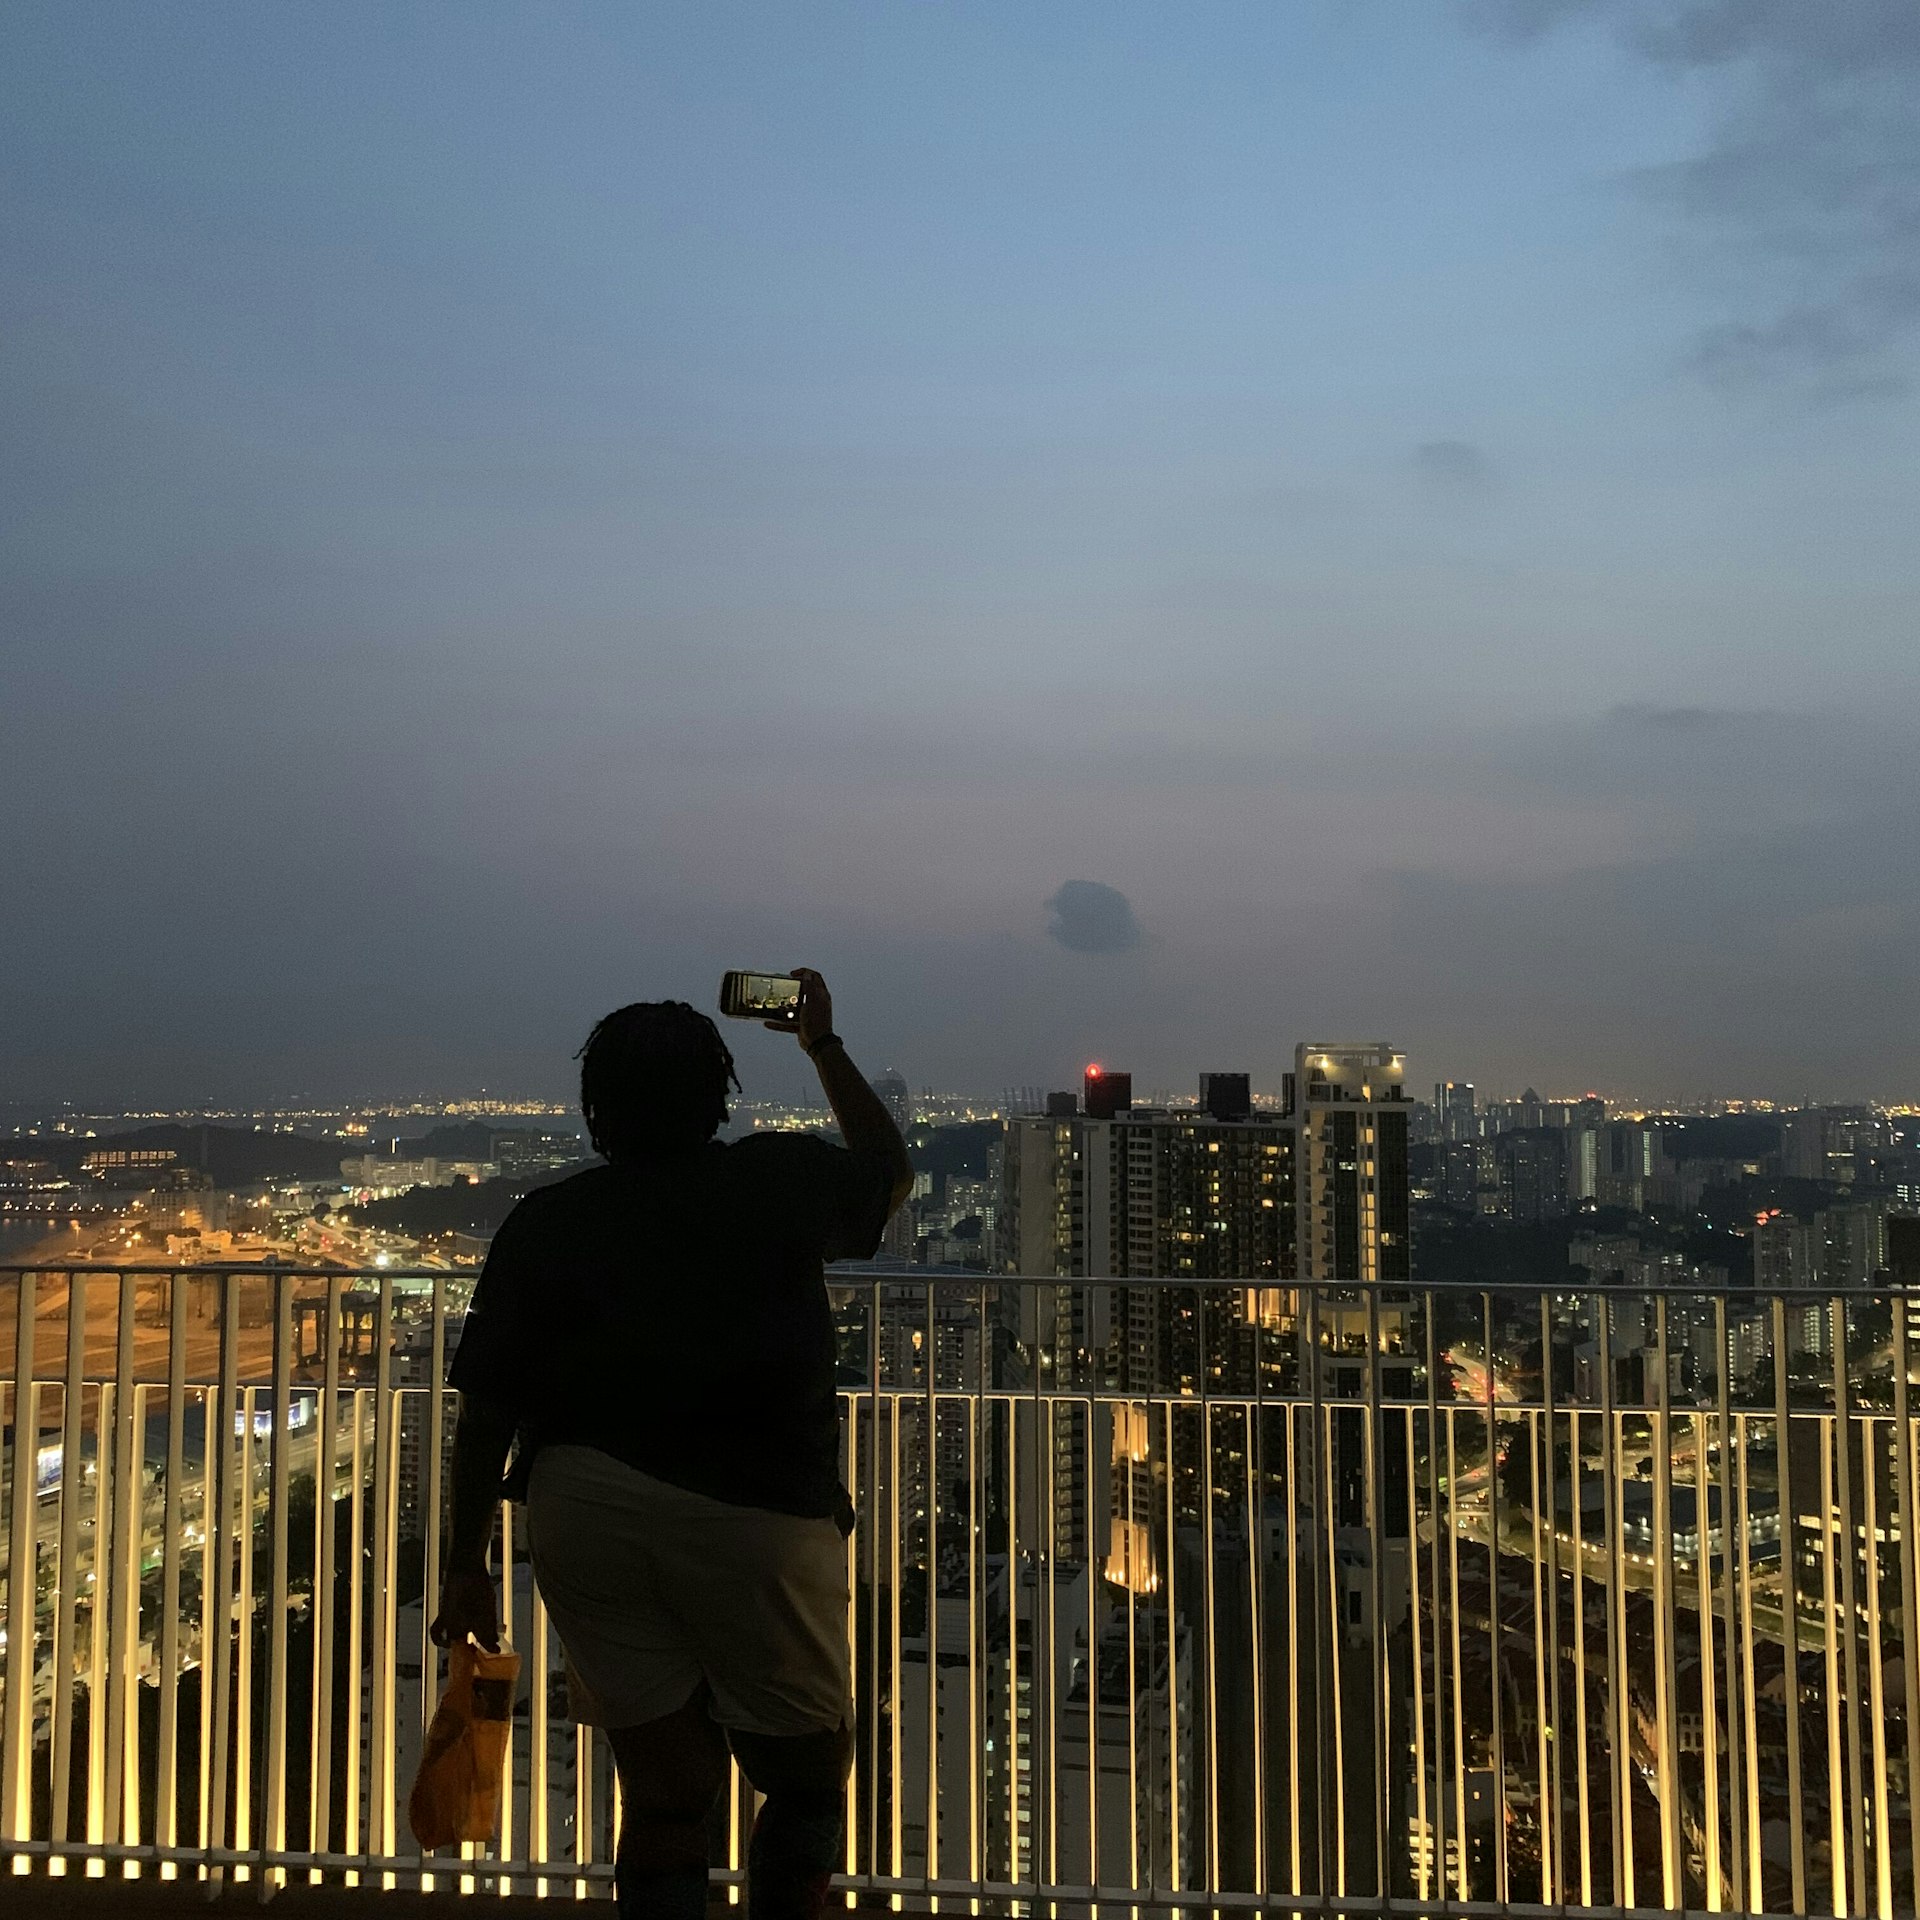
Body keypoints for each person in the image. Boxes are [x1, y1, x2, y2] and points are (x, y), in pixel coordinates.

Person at [430, 968, 912, 1920]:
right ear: (716, 1099)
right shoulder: (775, 1180)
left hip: (586, 1512)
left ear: (594, 1111)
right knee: (808, 1773)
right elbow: (888, 1176)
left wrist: (465, 1565)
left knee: (661, 1792)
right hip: (759, 1512)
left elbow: (486, 1403)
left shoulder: (548, 1221)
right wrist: (822, 1043)